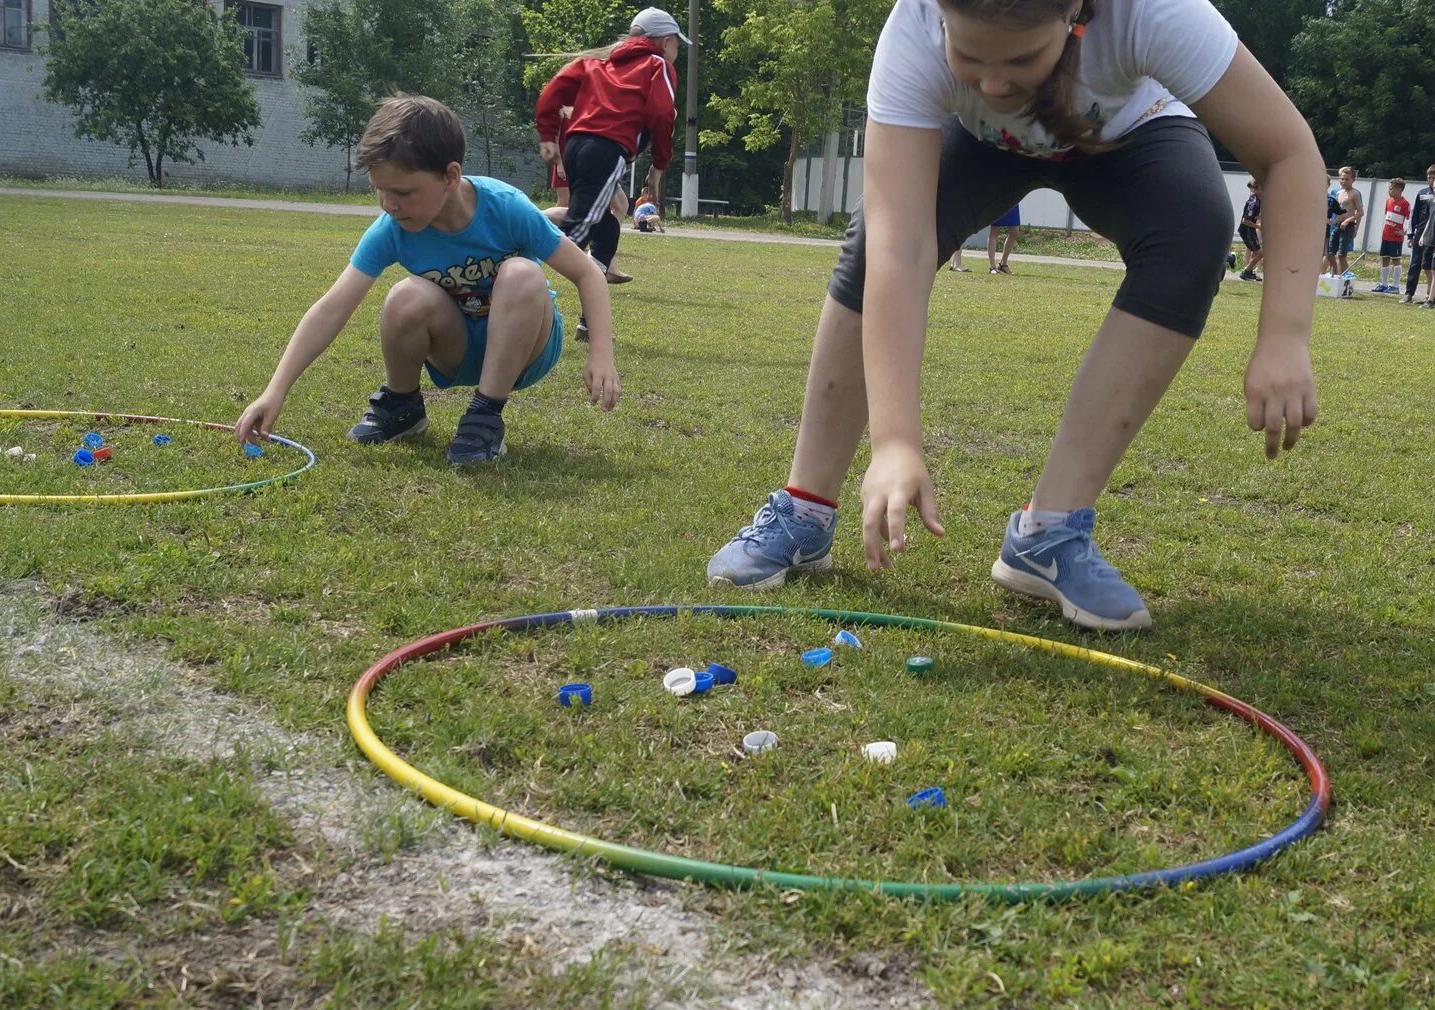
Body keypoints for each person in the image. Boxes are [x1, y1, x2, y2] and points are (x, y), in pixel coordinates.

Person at [703, 0, 1322, 632]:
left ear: (1076, 13)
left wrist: (1284, 335)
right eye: (968, 56)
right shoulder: (915, 26)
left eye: (1023, 56)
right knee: (872, 241)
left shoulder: (1155, 14)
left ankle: (1048, 534)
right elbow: (901, 245)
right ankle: (804, 509)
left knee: (1193, 229)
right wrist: (893, 440)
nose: (995, 85)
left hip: (1129, 134)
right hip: (977, 144)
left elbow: (1288, 153)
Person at [233, 95, 619, 466]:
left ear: (451, 176)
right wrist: (275, 390)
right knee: (405, 296)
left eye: (402, 192)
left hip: (526, 348)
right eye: (379, 190)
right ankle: (402, 408)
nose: (389, 204)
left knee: (521, 273)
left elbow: (587, 273)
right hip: (458, 348)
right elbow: (332, 307)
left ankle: (485, 417)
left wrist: (601, 354)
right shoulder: (393, 229)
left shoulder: (505, 207)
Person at [536, 7, 684, 338]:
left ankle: (588, 321)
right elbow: (662, 115)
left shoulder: (599, 63)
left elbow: (553, 90)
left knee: (606, 229)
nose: (677, 53)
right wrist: (660, 164)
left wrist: (548, 134)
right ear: (664, 41)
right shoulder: (657, 64)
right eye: (677, 45)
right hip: (606, 150)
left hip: (576, 148)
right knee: (577, 232)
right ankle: (507, 276)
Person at [1403, 163, 1435, 303]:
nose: (1430, 180)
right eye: (1429, 177)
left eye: (1434, 177)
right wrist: (1410, 235)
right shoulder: (1422, 193)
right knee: (1415, 263)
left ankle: (1431, 296)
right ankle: (1409, 293)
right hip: (1421, 232)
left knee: (1432, 266)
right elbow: (1414, 214)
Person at [1323, 165, 1362, 293]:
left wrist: (1349, 221)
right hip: (1336, 225)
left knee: (1342, 254)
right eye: (1342, 179)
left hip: (1347, 226)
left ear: (1353, 180)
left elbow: (1360, 212)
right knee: (1329, 252)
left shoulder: (1355, 194)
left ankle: (1344, 278)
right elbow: (1335, 211)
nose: (1344, 181)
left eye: (1346, 179)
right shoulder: (1337, 193)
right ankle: (1334, 274)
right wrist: (1331, 221)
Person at [1374, 176, 1407, 293]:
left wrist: (1405, 232)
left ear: (1399, 190)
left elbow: (1410, 219)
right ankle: (1383, 284)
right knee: (1384, 258)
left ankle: (1395, 286)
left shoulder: (1404, 203)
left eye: (1391, 189)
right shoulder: (1388, 201)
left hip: (1396, 238)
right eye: (1389, 188)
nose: (1389, 191)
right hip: (1386, 235)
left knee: (1396, 259)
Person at [1237, 177, 1264, 281]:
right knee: (1260, 253)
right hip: (1247, 230)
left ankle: (1249, 272)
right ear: (1257, 189)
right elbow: (1245, 221)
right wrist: (1259, 227)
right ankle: (1246, 271)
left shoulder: (1259, 200)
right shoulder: (1254, 202)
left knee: (1255, 252)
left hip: (1250, 230)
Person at [988, 203, 1022, 272]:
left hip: (1013, 201)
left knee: (1014, 232)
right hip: (999, 200)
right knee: (994, 231)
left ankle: (1003, 264)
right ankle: (993, 267)